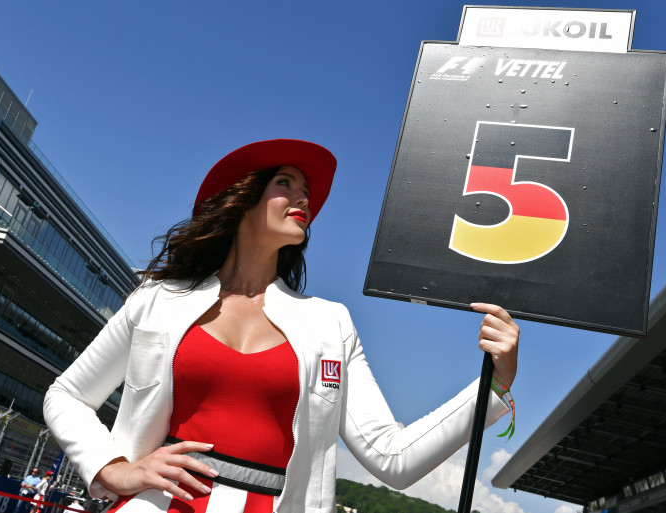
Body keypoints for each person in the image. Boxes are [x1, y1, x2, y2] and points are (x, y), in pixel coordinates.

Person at [43, 139, 519, 513]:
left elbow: (391, 457)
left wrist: (494, 384)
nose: (303, 198)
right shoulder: (157, 301)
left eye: (306, 192)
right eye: (286, 184)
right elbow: (66, 395)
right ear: (242, 198)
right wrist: (114, 468)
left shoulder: (329, 323)